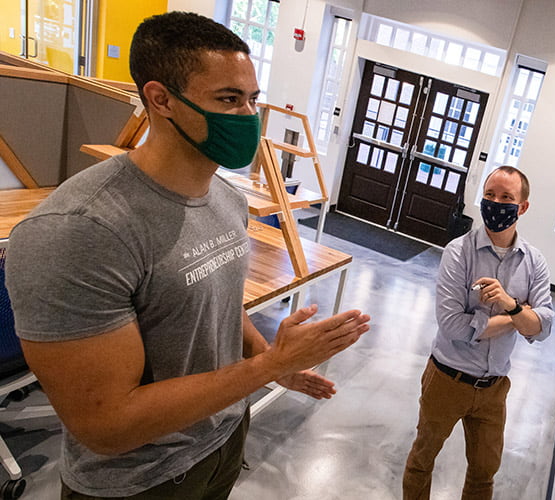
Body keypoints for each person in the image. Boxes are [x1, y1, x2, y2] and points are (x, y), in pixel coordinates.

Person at [5, 12, 370, 499]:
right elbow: (105, 426)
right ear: (160, 100)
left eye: (251, 100)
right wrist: (263, 370)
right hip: (140, 482)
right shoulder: (79, 231)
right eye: (228, 99)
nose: (247, 116)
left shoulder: (226, 199)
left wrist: (274, 359)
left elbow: (217, 303)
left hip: (221, 443)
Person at [403, 166, 555, 499]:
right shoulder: (459, 252)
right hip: (447, 380)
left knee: (484, 473)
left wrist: (509, 304)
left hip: (493, 389)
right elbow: (452, 325)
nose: (496, 203)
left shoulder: (534, 262)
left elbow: (544, 328)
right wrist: (519, 314)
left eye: (506, 198)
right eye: (490, 195)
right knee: (422, 460)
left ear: (522, 207)